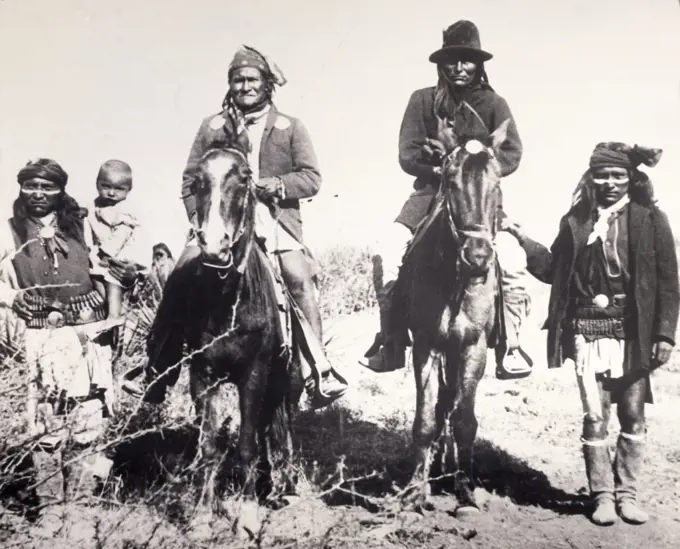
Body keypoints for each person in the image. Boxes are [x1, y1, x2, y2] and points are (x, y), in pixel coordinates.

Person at [122, 45, 347, 407]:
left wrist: (276, 185)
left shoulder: (290, 126)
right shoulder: (212, 126)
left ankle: (317, 370)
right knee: (180, 274)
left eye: (252, 79)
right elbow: (189, 181)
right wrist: (202, 223)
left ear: (267, 84)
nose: (245, 86)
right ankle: (157, 370)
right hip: (220, 220)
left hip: (273, 220)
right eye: (238, 80)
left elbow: (312, 178)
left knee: (298, 276)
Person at [503, 142, 678, 526]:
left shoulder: (650, 218)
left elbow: (668, 281)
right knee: (595, 415)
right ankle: (601, 497)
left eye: (618, 175)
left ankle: (627, 495)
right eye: (603, 175)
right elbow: (554, 271)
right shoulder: (576, 221)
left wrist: (665, 334)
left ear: (632, 178)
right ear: (591, 178)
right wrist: (521, 237)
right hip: (586, 329)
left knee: (632, 413)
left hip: (634, 331)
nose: (610, 183)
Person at [359, 20, 532, 378]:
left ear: (479, 64)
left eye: (467, 60)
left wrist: (476, 168)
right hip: (428, 198)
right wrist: (442, 168)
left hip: (480, 203)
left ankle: (511, 345)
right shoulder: (422, 100)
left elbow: (512, 153)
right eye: (452, 60)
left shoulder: (495, 104)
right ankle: (389, 340)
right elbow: (407, 153)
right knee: (387, 252)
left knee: (514, 261)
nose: (459, 67)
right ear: (441, 63)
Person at [0, 158, 122, 523]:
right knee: (46, 423)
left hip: (87, 337)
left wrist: (112, 320)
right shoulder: (8, 230)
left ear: (60, 191)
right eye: (30, 186)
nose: (39, 193)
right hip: (39, 337)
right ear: (21, 188)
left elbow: (112, 267)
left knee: (88, 421)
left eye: (48, 187)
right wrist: (11, 297)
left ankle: (81, 510)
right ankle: (52, 511)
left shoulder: (83, 225)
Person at [87, 159, 148, 319]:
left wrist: (107, 254)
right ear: (97, 184)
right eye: (106, 186)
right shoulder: (95, 207)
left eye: (119, 189)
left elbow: (120, 236)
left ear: (129, 189)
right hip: (103, 253)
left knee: (113, 277)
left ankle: (114, 315)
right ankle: (111, 309)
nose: (111, 193)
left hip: (123, 252)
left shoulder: (125, 209)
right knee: (95, 274)